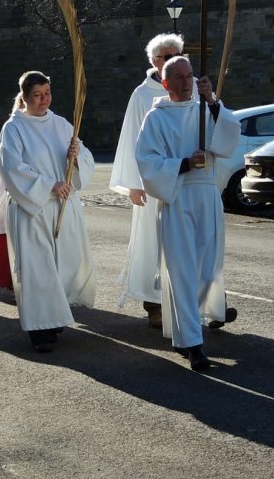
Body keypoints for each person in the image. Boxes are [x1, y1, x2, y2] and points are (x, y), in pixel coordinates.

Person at [135, 56, 240, 372]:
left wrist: (212, 101)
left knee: (206, 270)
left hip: (206, 195)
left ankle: (186, 327)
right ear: (166, 83)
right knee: (181, 271)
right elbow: (147, 162)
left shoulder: (205, 109)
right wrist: (183, 163)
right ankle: (193, 344)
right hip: (178, 195)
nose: (185, 82)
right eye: (178, 77)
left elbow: (229, 139)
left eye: (190, 75)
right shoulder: (156, 119)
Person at [0, 71, 96, 352]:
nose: (43, 99)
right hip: (31, 209)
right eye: (37, 95)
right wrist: (49, 185)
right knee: (37, 269)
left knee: (61, 264)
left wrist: (76, 155)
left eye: (47, 93)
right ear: (24, 97)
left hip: (63, 205)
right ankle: (40, 329)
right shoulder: (14, 128)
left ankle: (54, 316)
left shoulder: (61, 124)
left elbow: (84, 157)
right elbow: (12, 167)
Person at [110, 32, 184, 329]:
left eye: (178, 55)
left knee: (186, 240)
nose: (173, 60)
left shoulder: (188, 87)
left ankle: (195, 300)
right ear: (154, 61)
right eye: (167, 56)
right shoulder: (143, 95)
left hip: (182, 177)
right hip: (152, 180)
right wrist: (134, 183)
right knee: (154, 241)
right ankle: (154, 303)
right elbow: (131, 139)